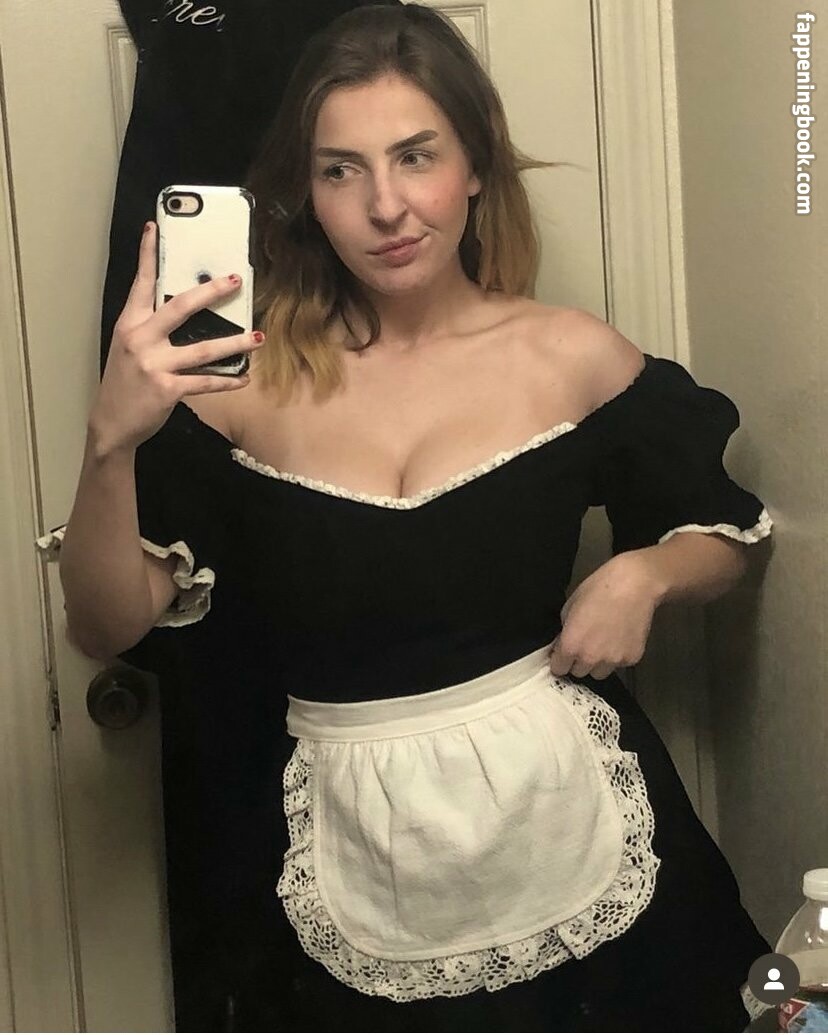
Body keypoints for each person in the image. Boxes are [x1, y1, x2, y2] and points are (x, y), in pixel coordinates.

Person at [37, 4, 775, 1030]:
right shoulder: (238, 386)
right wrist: (111, 439)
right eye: (341, 170)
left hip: (579, 829)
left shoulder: (571, 356)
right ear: (305, 192)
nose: (386, 206)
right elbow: (104, 623)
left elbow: (728, 537)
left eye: (416, 157)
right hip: (346, 858)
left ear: (474, 165)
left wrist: (644, 574)